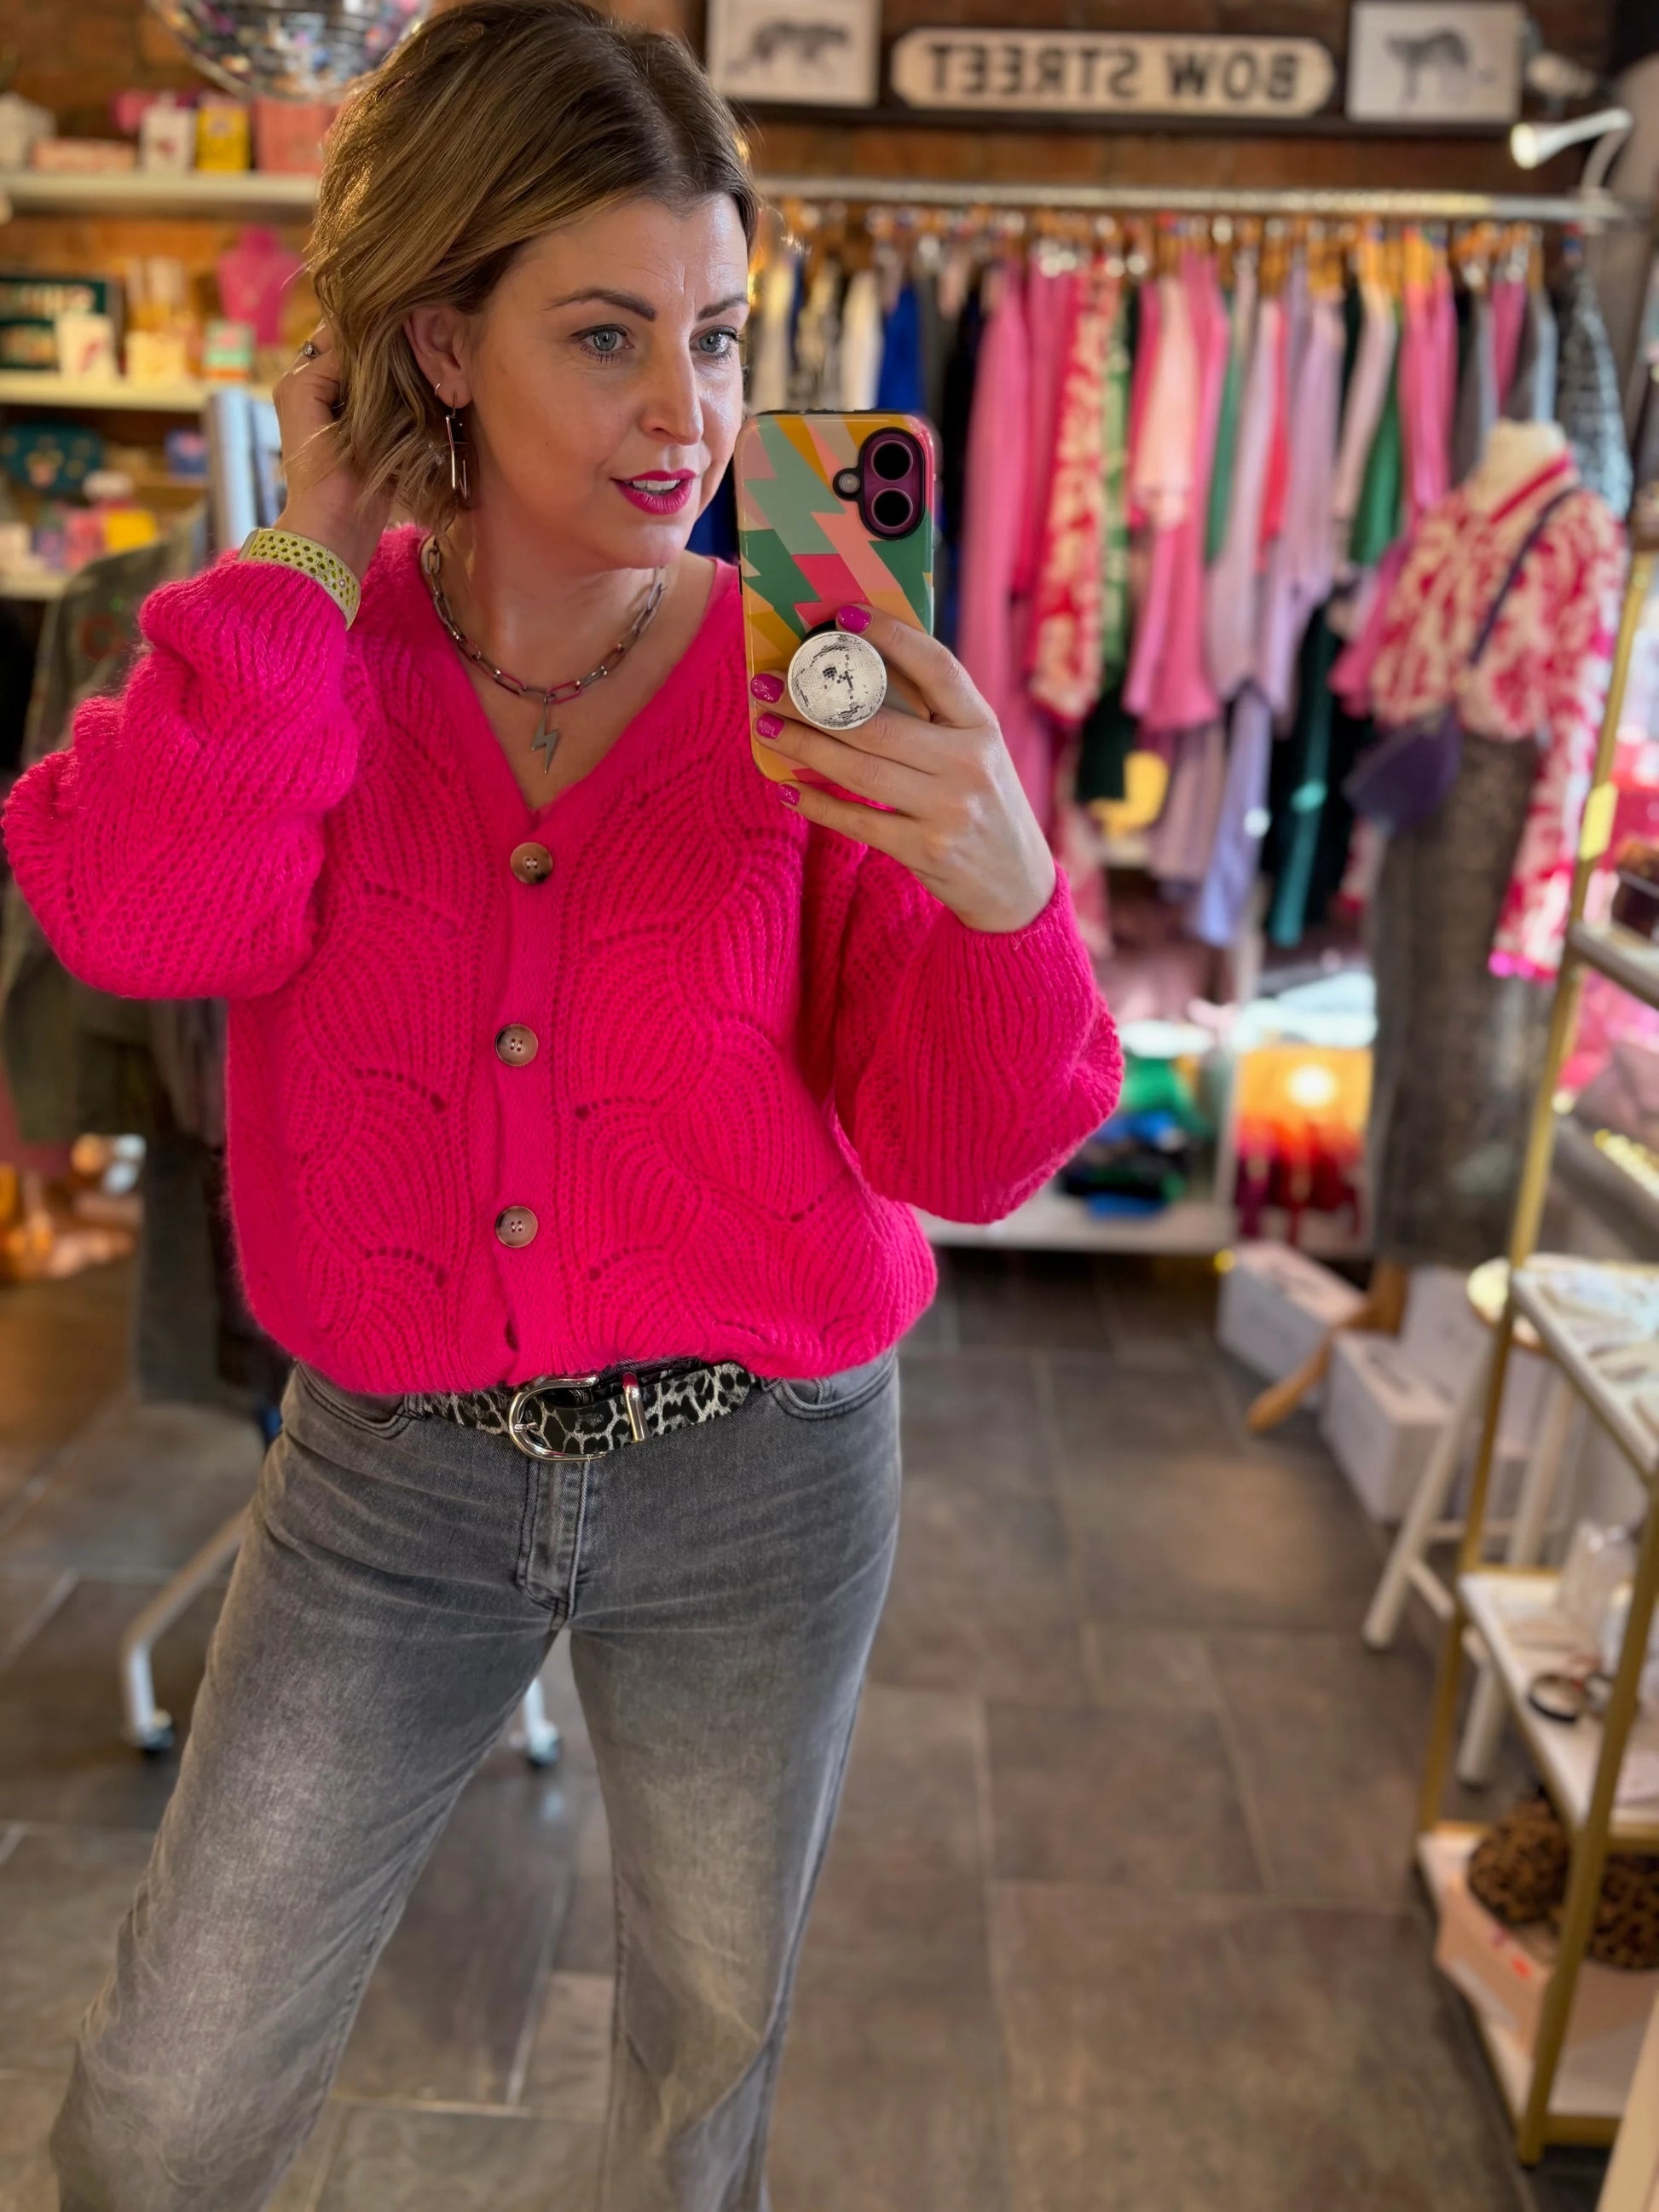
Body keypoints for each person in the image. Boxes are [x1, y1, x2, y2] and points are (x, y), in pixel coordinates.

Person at [3, 4, 1121, 2204]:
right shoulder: (296, 652)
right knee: (166, 2102)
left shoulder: (813, 689)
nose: (688, 414)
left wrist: (1008, 896)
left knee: (703, 2054)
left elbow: (961, 1153)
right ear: (438, 340)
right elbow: (135, 920)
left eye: (716, 335)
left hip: (766, 1471)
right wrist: (309, 545)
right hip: (387, 1478)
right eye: (606, 337)